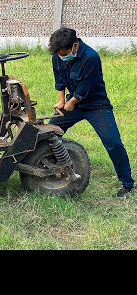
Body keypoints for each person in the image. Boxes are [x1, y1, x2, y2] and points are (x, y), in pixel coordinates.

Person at [47, 27, 134, 198]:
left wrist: (72, 102)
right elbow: (59, 79)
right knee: (48, 132)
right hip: (72, 102)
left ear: (74, 45)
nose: (62, 57)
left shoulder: (91, 57)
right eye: (59, 54)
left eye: (64, 53)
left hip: (96, 105)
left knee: (113, 143)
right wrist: (62, 100)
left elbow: (87, 85)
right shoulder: (58, 55)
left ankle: (128, 184)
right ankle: (47, 167)